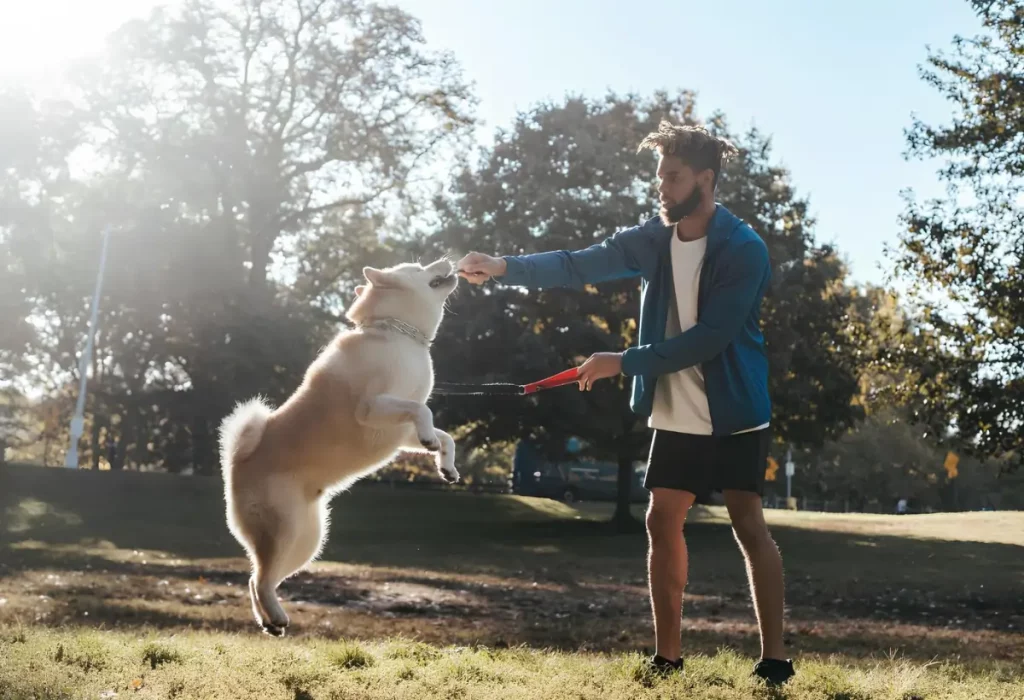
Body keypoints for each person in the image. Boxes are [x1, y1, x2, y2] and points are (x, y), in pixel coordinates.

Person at [457, 120, 795, 686]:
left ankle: (775, 657)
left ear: (706, 179)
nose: (661, 187)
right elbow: (576, 263)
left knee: (748, 526)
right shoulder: (654, 239)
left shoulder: (744, 249)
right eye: (659, 176)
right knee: (662, 522)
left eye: (673, 176)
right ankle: (667, 657)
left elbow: (710, 337)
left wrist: (622, 360)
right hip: (676, 415)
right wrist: (503, 267)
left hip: (735, 412)